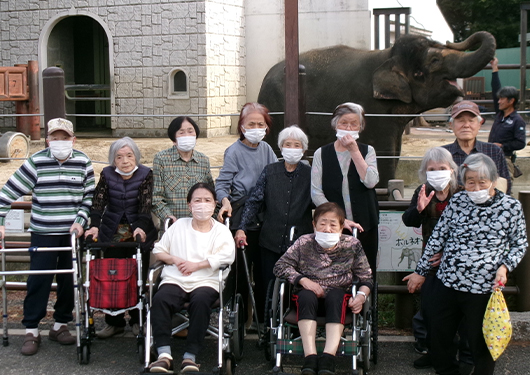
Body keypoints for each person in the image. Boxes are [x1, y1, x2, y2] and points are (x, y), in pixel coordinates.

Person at [404, 153, 527, 375]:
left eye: (482, 181)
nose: (476, 186)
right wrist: (420, 271)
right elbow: (438, 237)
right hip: (448, 281)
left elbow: (519, 243)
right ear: (463, 181)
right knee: (439, 336)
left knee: (480, 341)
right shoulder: (458, 200)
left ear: (493, 179)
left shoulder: (510, 207)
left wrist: (505, 266)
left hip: (483, 286)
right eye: (470, 181)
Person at [0, 118, 94, 356]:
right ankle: (31, 330)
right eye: (55, 138)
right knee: (39, 281)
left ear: (73, 139)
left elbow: (88, 198)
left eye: (65, 138)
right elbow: (8, 191)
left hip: (72, 234)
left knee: (68, 282)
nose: (60, 142)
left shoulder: (83, 162)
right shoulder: (36, 162)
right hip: (43, 233)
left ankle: (60, 325)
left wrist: (80, 221)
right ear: (47, 140)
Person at [273, 202, 373, 375]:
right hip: (307, 299)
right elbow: (280, 266)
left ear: (342, 227)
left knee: (336, 296)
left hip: (339, 301)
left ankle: (328, 358)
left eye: (333, 224)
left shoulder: (352, 245)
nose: (327, 229)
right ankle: (310, 357)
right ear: (314, 225)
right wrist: (303, 280)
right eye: (322, 223)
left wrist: (361, 297)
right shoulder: (304, 242)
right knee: (306, 295)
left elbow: (366, 277)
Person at [148, 183, 235, 373]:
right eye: (197, 200)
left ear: (214, 205)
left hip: (206, 280)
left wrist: (197, 265)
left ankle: (190, 357)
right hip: (176, 279)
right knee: (160, 299)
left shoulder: (221, 231)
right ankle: (164, 355)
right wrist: (175, 259)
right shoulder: (179, 226)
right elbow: (159, 250)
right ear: (189, 205)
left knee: (201, 301)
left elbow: (227, 256)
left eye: (207, 200)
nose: (202, 205)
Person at [84, 137, 157, 338]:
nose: (125, 161)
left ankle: (136, 320)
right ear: (113, 160)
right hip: (111, 232)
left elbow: (146, 203)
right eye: (119, 157)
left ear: (136, 157)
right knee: (111, 277)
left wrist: (141, 227)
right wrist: (94, 227)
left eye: (129, 155)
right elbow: (98, 202)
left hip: (138, 232)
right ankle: (113, 322)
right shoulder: (107, 174)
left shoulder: (146, 174)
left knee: (136, 278)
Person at [234, 125, 314, 308]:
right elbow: (254, 200)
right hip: (270, 238)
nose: (292, 148)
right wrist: (242, 227)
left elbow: (321, 202)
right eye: (287, 144)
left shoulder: (310, 174)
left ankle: (294, 327)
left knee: (298, 286)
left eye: (296, 145)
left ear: (303, 149)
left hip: (300, 241)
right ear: (281, 147)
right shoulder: (270, 171)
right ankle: (267, 327)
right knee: (268, 285)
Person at [215, 102, 278, 328]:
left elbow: (275, 178)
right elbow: (222, 184)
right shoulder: (233, 151)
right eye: (251, 123)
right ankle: (239, 323)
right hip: (241, 215)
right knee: (241, 271)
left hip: (266, 217)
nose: (256, 127)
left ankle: (264, 321)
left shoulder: (267, 149)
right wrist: (224, 202)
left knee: (265, 273)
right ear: (242, 126)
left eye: (260, 124)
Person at [401, 147, 460, 368]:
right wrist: (418, 209)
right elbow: (409, 221)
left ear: (452, 170)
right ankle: (432, 351)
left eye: (442, 168)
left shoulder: (461, 192)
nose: (437, 172)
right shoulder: (423, 190)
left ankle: (453, 355)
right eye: (432, 169)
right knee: (431, 307)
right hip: (430, 259)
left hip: (457, 261)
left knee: (454, 309)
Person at [311, 102, 379, 275]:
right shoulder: (321, 153)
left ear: (360, 127)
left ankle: (363, 300)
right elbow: (316, 192)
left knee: (365, 271)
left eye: (354, 124)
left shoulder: (367, 151)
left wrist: (354, 151)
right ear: (335, 124)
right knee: (333, 273)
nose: (348, 127)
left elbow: (371, 182)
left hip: (365, 224)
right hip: (332, 227)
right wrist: (339, 218)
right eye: (343, 123)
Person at [152, 116, 214, 223]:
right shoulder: (161, 159)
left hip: (200, 225)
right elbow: (156, 197)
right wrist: (169, 217)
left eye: (190, 132)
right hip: (173, 226)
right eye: (181, 133)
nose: (187, 136)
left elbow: (211, 194)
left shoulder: (203, 160)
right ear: (174, 139)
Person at [442, 100, 511, 194]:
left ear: (479, 124)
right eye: (460, 121)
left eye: (471, 121)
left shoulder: (494, 151)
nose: (466, 125)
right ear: (451, 125)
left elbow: (505, 187)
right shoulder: (443, 154)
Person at [489, 57, 527, 180]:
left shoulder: (517, 120)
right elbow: (496, 88)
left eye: (502, 99)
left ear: (511, 101)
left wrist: (502, 146)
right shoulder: (500, 114)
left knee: (505, 189)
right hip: (491, 157)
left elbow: (520, 143)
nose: (499, 101)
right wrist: (494, 68)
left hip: (505, 159)